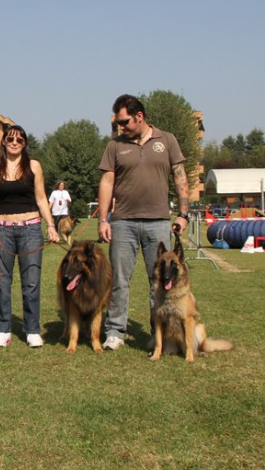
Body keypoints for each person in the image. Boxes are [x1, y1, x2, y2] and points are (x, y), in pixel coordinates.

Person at [97, 94, 190, 351]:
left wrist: (183, 213)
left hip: (158, 222)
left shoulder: (167, 140)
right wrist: (103, 219)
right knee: (118, 279)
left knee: (160, 280)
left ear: (140, 117)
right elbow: (106, 182)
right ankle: (115, 331)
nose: (121, 127)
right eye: (118, 122)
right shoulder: (114, 145)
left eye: (124, 122)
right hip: (123, 222)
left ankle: (157, 333)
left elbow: (180, 177)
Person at [0, 125, 59, 348]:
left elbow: (41, 198)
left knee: (32, 282)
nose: (14, 142)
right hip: (2, 230)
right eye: (10, 139)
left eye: (19, 139)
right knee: (2, 282)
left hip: (31, 230)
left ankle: (32, 329)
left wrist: (51, 225)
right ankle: (3, 328)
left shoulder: (34, 166)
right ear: (4, 142)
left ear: (25, 143)